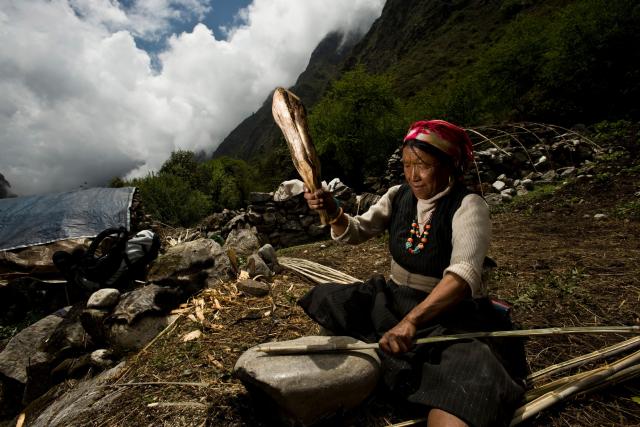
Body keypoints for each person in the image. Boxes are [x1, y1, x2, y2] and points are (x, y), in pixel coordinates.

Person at [299, 120, 526, 427]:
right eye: (406, 165)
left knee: (471, 371)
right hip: (393, 300)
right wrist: (333, 210)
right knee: (331, 299)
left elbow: (462, 276)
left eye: (423, 166)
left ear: (450, 166)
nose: (413, 176)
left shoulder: (468, 206)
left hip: (444, 314)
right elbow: (357, 230)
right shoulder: (398, 195)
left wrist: (412, 321)